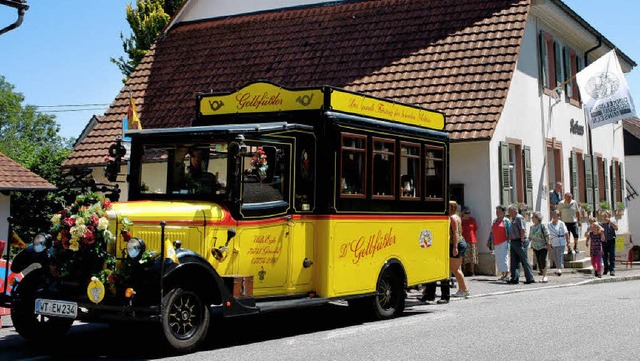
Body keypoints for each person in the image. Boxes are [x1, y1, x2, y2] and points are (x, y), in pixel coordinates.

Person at [507, 204, 535, 284]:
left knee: (524, 260)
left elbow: (522, 229)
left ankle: (530, 278)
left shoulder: (519, 218)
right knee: (514, 260)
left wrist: (522, 240)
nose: (508, 213)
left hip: (519, 241)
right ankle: (515, 278)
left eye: (510, 211)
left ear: (514, 210)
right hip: (514, 241)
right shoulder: (513, 219)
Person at [449, 201, 470, 298]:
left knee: (455, 269)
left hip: (457, 243)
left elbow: (455, 233)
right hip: (462, 242)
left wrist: (455, 247)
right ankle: (462, 289)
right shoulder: (457, 217)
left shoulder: (452, 218)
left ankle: (464, 290)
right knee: (458, 268)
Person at [487, 205, 511, 281]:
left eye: (499, 212)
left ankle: (507, 274)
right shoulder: (495, 221)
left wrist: (509, 241)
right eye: (496, 212)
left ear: (504, 212)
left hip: (504, 241)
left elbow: (510, 232)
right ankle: (502, 274)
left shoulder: (506, 221)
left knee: (504, 258)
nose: (497, 213)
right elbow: (492, 232)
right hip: (496, 242)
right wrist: (488, 240)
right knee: (498, 258)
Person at [529, 212, 550, 283]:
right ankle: (543, 274)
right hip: (535, 246)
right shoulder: (531, 227)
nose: (532, 218)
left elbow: (547, 235)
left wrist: (548, 244)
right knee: (539, 261)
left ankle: (545, 276)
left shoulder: (542, 226)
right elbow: (530, 237)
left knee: (543, 260)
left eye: (533, 217)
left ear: (537, 218)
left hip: (543, 246)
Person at [547, 210, 569, 276]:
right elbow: (548, 234)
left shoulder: (561, 223)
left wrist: (568, 242)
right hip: (553, 242)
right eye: (553, 215)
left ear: (558, 216)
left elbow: (566, 233)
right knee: (555, 256)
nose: (554, 216)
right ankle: (558, 268)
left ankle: (560, 269)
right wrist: (548, 242)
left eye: (556, 215)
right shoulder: (549, 224)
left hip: (561, 241)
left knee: (560, 256)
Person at [600, 210, 618, 276]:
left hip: (611, 241)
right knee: (604, 256)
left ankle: (612, 269)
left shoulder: (613, 222)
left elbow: (616, 228)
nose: (605, 217)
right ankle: (606, 268)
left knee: (612, 256)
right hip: (604, 242)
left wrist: (610, 222)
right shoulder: (601, 224)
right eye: (603, 216)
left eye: (606, 216)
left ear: (609, 216)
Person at [461, 206, 478, 276]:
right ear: (463, 213)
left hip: (472, 240)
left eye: (469, 213)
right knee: (464, 256)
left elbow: (475, 228)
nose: (468, 214)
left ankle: (472, 271)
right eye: (466, 213)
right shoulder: (461, 220)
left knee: (472, 256)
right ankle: (464, 270)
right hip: (464, 240)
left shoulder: (472, 220)